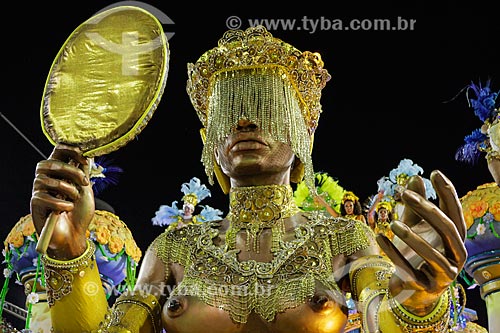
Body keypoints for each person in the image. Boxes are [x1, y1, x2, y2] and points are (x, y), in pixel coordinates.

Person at [30, 24, 467, 333]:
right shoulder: (174, 249)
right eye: (229, 112)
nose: (243, 122)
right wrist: (68, 252)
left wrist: (418, 297)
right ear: (210, 144)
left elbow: (379, 318)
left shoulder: (343, 238)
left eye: (264, 107)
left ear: (302, 136)